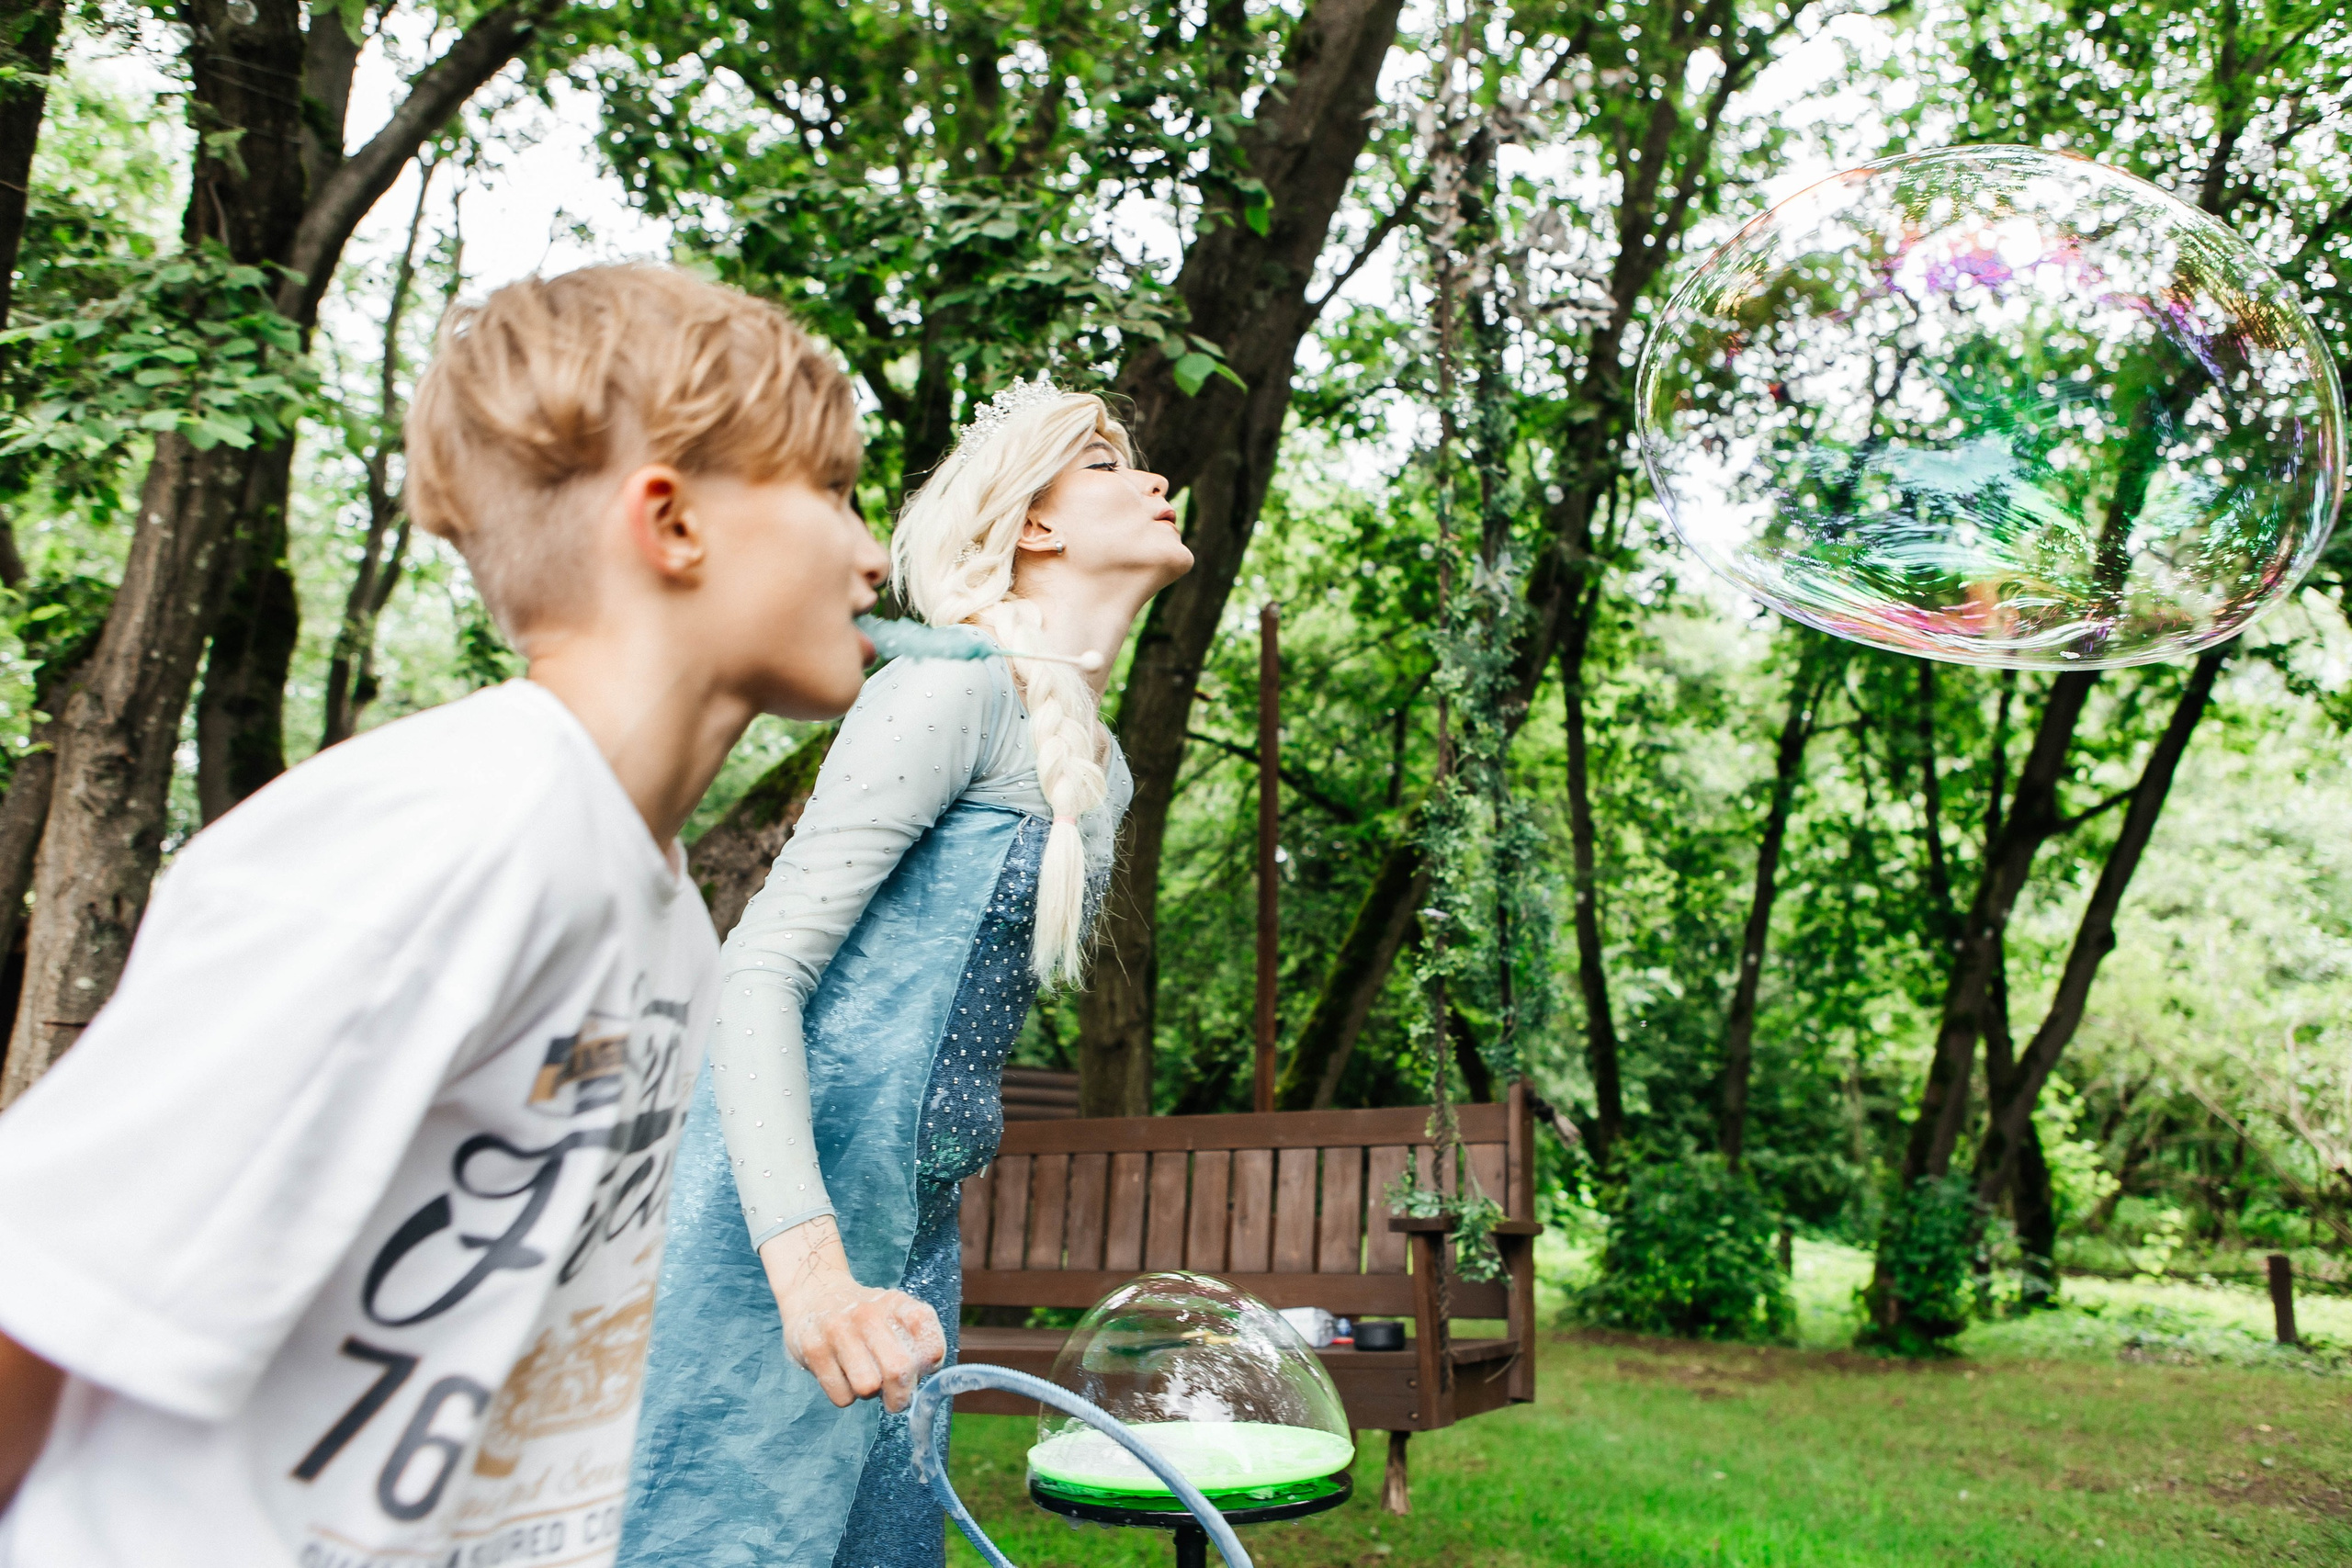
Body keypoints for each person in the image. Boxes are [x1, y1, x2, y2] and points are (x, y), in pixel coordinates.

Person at [0, 264, 933, 1568]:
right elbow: (36, 1299)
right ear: (670, 523)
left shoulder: (664, 920)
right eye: (829, 491)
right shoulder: (450, 837)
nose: (870, 548)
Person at [620, 380, 1193, 1567]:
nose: (1153, 480)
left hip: (913, 1232)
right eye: (1105, 465)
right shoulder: (948, 688)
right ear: (1032, 525)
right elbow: (758, 973)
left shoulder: (1102, 768)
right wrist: (815, 1276)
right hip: (775, 1229)